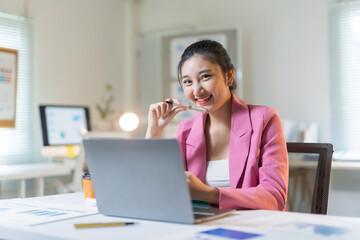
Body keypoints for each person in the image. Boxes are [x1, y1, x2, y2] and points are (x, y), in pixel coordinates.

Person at [146, 40, 288, 211]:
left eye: (205, 77)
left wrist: (207, 193)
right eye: (188, 82)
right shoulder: (186, 130)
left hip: (253, 227)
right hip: (202, 228)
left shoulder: (265, 119)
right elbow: (155, 190)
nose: (197, 90)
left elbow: (274, 197)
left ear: (229, 76)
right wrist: (154, 132)